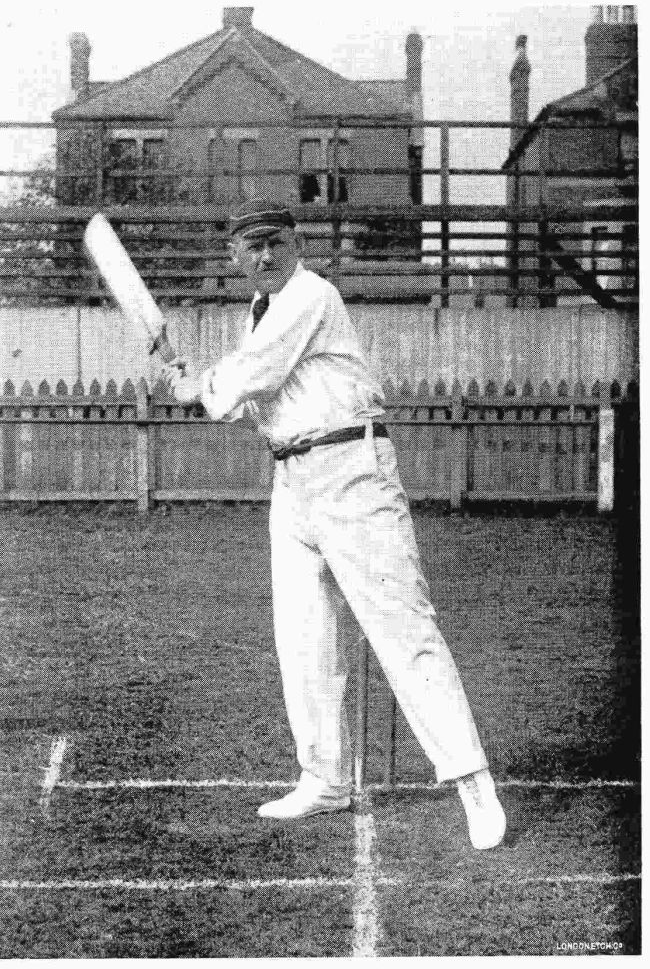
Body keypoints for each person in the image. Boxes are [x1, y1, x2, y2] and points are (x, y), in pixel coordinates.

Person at [165, 199, 506, 849]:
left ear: (297, 244)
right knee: (304, 635)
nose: (267, 255)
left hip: (352, 473)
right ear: (235, 257)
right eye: (253, 246)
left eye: (276, 241)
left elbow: (252, 374)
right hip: (292, 482)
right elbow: (257, 401)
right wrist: (205, 391)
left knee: (403, 629)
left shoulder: (310, 295)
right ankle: (325, 779)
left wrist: (199, 387)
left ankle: (473, 782)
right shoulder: (260, 312)